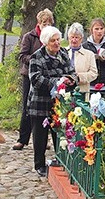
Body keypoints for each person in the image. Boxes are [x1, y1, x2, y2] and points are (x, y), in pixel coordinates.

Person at [28, 26, 77, 177]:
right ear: (45, 42)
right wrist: (58, 81)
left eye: (58, 39)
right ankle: (39, 165)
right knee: (40, 136)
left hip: (59, 102)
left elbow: (72, 72)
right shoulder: (37, 57)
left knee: (60, 133)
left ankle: (62, 160)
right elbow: (36, 79)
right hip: (40, 102)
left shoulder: (63, 53)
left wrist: (70, 80)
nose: (56, 43)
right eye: (53, 40)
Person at [13, 9, 55, 151]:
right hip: (30, 76)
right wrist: (36, 60)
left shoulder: (52, 39)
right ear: (39, 23)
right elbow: (22, 55)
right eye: (44, 23)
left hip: (46, 77)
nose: (46, 26)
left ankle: (44, 138)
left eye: (49, 24)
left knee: (47, 108)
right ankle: (23, 138)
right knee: (27, 107)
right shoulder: (29, 37)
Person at [82, 18, 105, 102]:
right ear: (91, 30)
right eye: (96, 29)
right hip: (90, 85)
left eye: (101, 29)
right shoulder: (85, 46)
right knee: (91, 113)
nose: (99, 31)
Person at [67, 22, 97, 96]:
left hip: (82, 92)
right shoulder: (62, 52)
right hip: (64, 91)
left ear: (81, 38)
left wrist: (78, 77)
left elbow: (93, 73)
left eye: (76, 37)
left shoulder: (89, 55)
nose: (74, 40)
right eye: (72, 37)